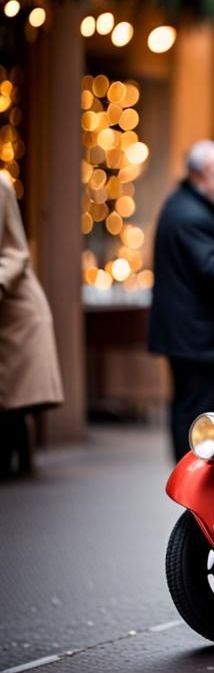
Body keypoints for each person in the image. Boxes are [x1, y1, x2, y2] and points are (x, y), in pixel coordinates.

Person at [149, 141, 214, 460]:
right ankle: (191, 476)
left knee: (189, 407)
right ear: (197, 176)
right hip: (196, 336)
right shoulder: (192, 216)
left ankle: (188, 471)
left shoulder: (188, 206)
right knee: (196, 411)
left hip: (192, 333)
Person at [0, 174, 64, 477]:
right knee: (12, 395)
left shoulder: (1, 184)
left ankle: (18, 464)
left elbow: (16, 252)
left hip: (16, 312)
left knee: (14, 393)